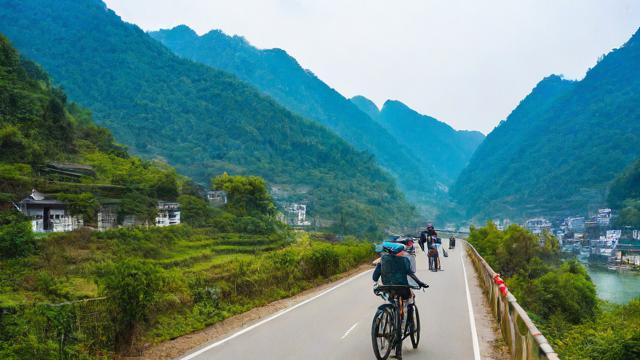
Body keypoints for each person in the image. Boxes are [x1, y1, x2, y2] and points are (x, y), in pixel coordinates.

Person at [373, 242, 428, 359]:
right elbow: (411, 274)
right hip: (402, 290)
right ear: (398, 252)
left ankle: (391, 320)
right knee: (409, 301)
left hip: (389, 289)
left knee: (392, 303)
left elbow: (374, 277)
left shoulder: (382, 260)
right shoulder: (404, 261)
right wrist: (420, 283)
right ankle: (399, 344)